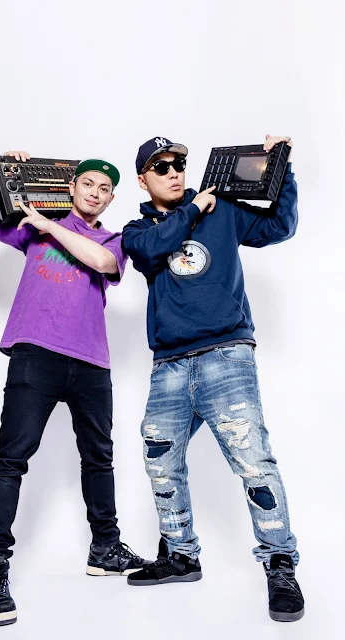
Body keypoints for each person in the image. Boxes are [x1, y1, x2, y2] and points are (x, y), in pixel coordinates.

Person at [0, 150, 149, 626]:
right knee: (11, 458)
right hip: (36, 354)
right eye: (88, 184)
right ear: (71, 188)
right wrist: (3, 173)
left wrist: (49, 227)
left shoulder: (112, 239)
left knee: (99, 458)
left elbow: (102, 261)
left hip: (91, 363)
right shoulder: (34, 225)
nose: (95, 193)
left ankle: (105, 548)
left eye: (105, 189)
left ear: (110, 199)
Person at [121, 135, 304, 622]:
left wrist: (281, 166)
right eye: (161, 167)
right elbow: (154, 248)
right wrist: (193, 209)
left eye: (178, 163)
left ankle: (280, 563)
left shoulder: (220, 210)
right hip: (170, 366)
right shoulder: (137, 231)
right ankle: (181, 555)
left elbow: (279, 226)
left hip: (227, 355)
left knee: (253, 461)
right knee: (161, 461)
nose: (174, 172)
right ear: (143, 180)